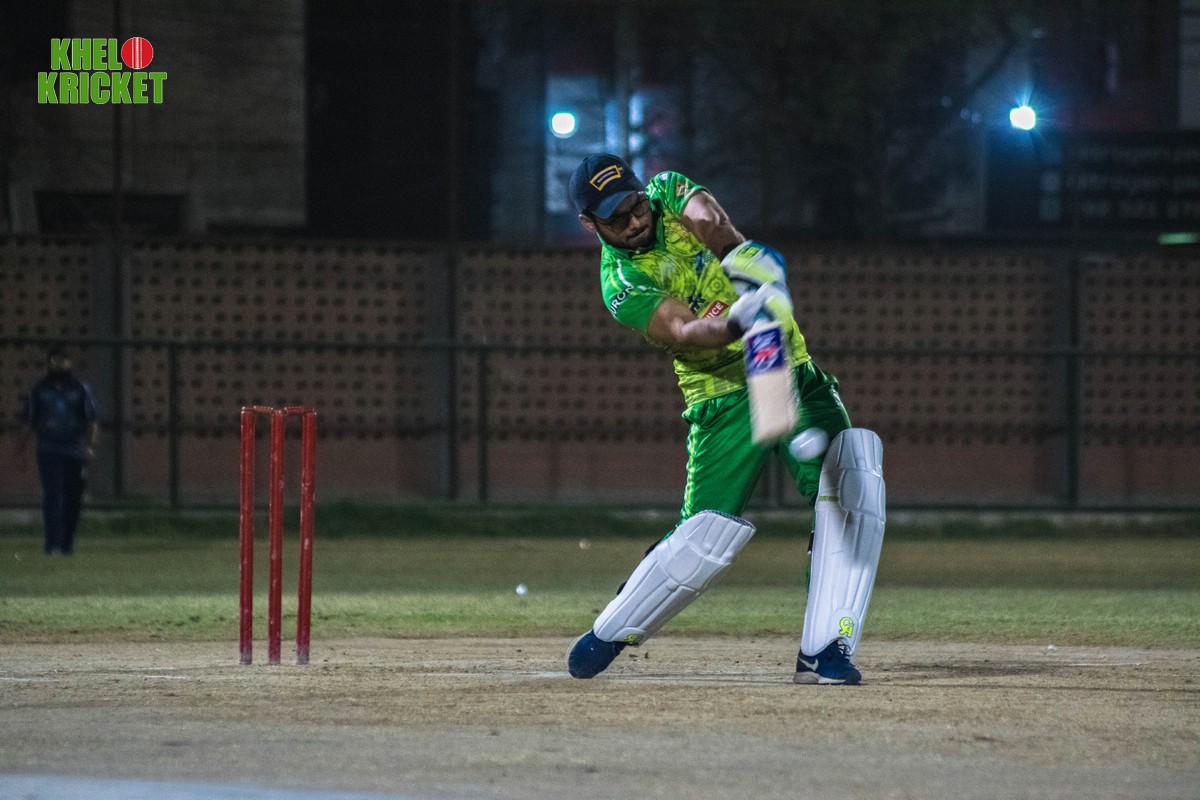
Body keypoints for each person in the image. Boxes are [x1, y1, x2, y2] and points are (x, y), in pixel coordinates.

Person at [565, 154, 886, 684]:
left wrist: (742, 260)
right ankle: (611, 629)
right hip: (720, 394)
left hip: (781, 360)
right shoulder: (620, 282)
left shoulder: (666, 191)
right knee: (701, 541)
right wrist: (737, 320)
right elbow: (684, 331)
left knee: (854, 487)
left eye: (636, 205)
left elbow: (710, 220)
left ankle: (825, 652)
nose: (635, 220)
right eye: (616, 218)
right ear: (589, 224)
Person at [19, 347, 100, 555]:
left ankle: (67, 543)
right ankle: (53, 543)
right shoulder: (39, 390)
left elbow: (91, 419)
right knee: (53, 496)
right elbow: (28, 422)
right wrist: (22, 451)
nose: (59, 365)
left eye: (63, 361)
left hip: (74, 449)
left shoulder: (80, 389)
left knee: (73, 497)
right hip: (49, 449)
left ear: (69, 363)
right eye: (55, 361)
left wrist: (90, 446)